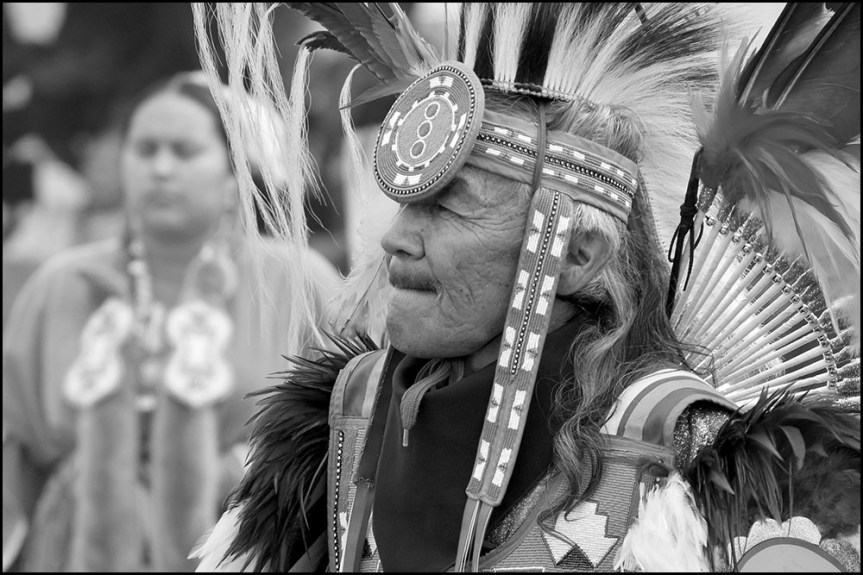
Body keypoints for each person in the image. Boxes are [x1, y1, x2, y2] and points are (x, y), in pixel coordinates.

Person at [190, 3, 860, 572]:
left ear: (576, 253)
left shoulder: (696, 468)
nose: (395, 238)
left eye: (448, 208)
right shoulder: (338, 432)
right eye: (404, 204)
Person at [1, 71, 342, 572]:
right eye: (144, 149)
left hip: (245, 546)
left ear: (233, 174)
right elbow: (16, 457)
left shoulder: (295, 281)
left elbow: (344, 441)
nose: (160, 168)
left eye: (184, 151)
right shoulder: (63, 285)